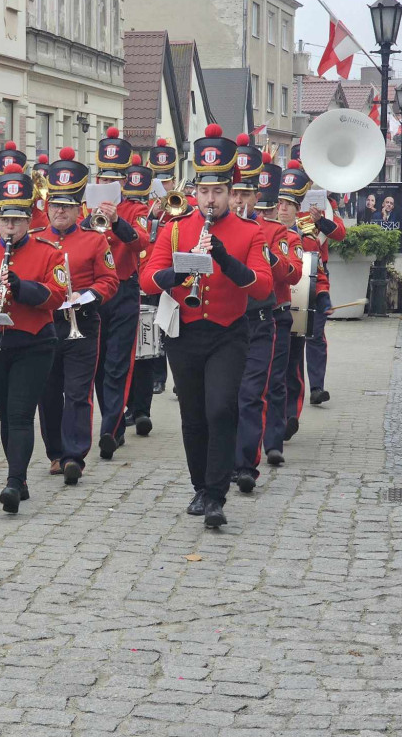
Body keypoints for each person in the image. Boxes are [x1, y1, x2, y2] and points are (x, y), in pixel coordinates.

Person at [139, 124, 274, 529]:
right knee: (194, 415)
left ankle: (217, 494)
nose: (210, 200)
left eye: (218, 192)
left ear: (231, 193)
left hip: (228, 332)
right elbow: (147, 278)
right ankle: (200, 486)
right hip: (184, 332)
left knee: (221, 408)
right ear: (195, 192)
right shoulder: (177, 228)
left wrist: (225, 261)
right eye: (204, 192)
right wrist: (179, 275)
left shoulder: (249, 232)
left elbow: (263, 285)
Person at [0, 167, 67, 513]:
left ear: (28, 221)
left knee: (21, 413)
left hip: (35, 343)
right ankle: (18, 479)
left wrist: (21, 288)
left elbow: (57, 294)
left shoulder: (49, 252)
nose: (10, 227)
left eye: (18, 221)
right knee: (6, 414)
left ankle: (13, 481)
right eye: (5, 220)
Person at [38, 149, 119, 485]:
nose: (61, 211)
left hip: (81, 322)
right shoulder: (35, 240)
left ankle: (74, 455)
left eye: (67, 206)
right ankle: (55, 453)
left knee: (77, 391)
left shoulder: (95, 241)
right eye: (56, 205)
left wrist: (86, 296)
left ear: (78, 209)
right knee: (47, 390)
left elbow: (110, 280)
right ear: (47, 207)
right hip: (44, 324)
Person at [229, 136, 291, 494]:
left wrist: (265, 254)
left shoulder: (274, 231)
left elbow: (290, 273)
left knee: (252, 395)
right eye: (233, 193)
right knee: (224, 397)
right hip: (222, 322)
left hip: (258, 320)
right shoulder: (211, 228)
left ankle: (246, 465)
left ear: (256, 198)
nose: (238, 200)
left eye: (244, 195)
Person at [92, 129, 150, 460]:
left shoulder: (134, 209)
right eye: (105, 175)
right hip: (96, 292)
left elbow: (141, 242)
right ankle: (111, 422)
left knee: (117, 363)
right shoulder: (85, 204)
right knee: (98, 364)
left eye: (115, 177)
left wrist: (116, 223)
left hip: (124, 289)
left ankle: (110, 430)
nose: (109, 181)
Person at [281, 163, 346, 441]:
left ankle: (314, 389)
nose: (283, 208)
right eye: (281, 203)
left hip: (313, 288)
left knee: (314, 338)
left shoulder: (321, 211)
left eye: (288, 204)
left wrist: (320, 220)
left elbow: (339, 234)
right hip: (279, 295)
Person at [256, 153, 302, 467]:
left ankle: (273, 443)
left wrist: (269, 256)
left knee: (274, 381)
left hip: (277, 314)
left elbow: (293, 274)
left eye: (264, 208)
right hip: (243, 315)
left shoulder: (286, 236)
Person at [145, 138, 187, 395]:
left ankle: (178, 375)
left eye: (167, 180)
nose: (163, 184)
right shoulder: (146, 203)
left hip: (178, 273)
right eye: (158, 179)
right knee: (156, 324)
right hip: (156, 270)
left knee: (174, 326)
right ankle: (158, 377)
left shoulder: (183, 201)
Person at [121, 153, 159, 437]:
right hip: (126, 283)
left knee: (145, 350)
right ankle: (129, 407)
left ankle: (142, 409)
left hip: (146, 284)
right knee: (125, 353)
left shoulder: (146, 214)